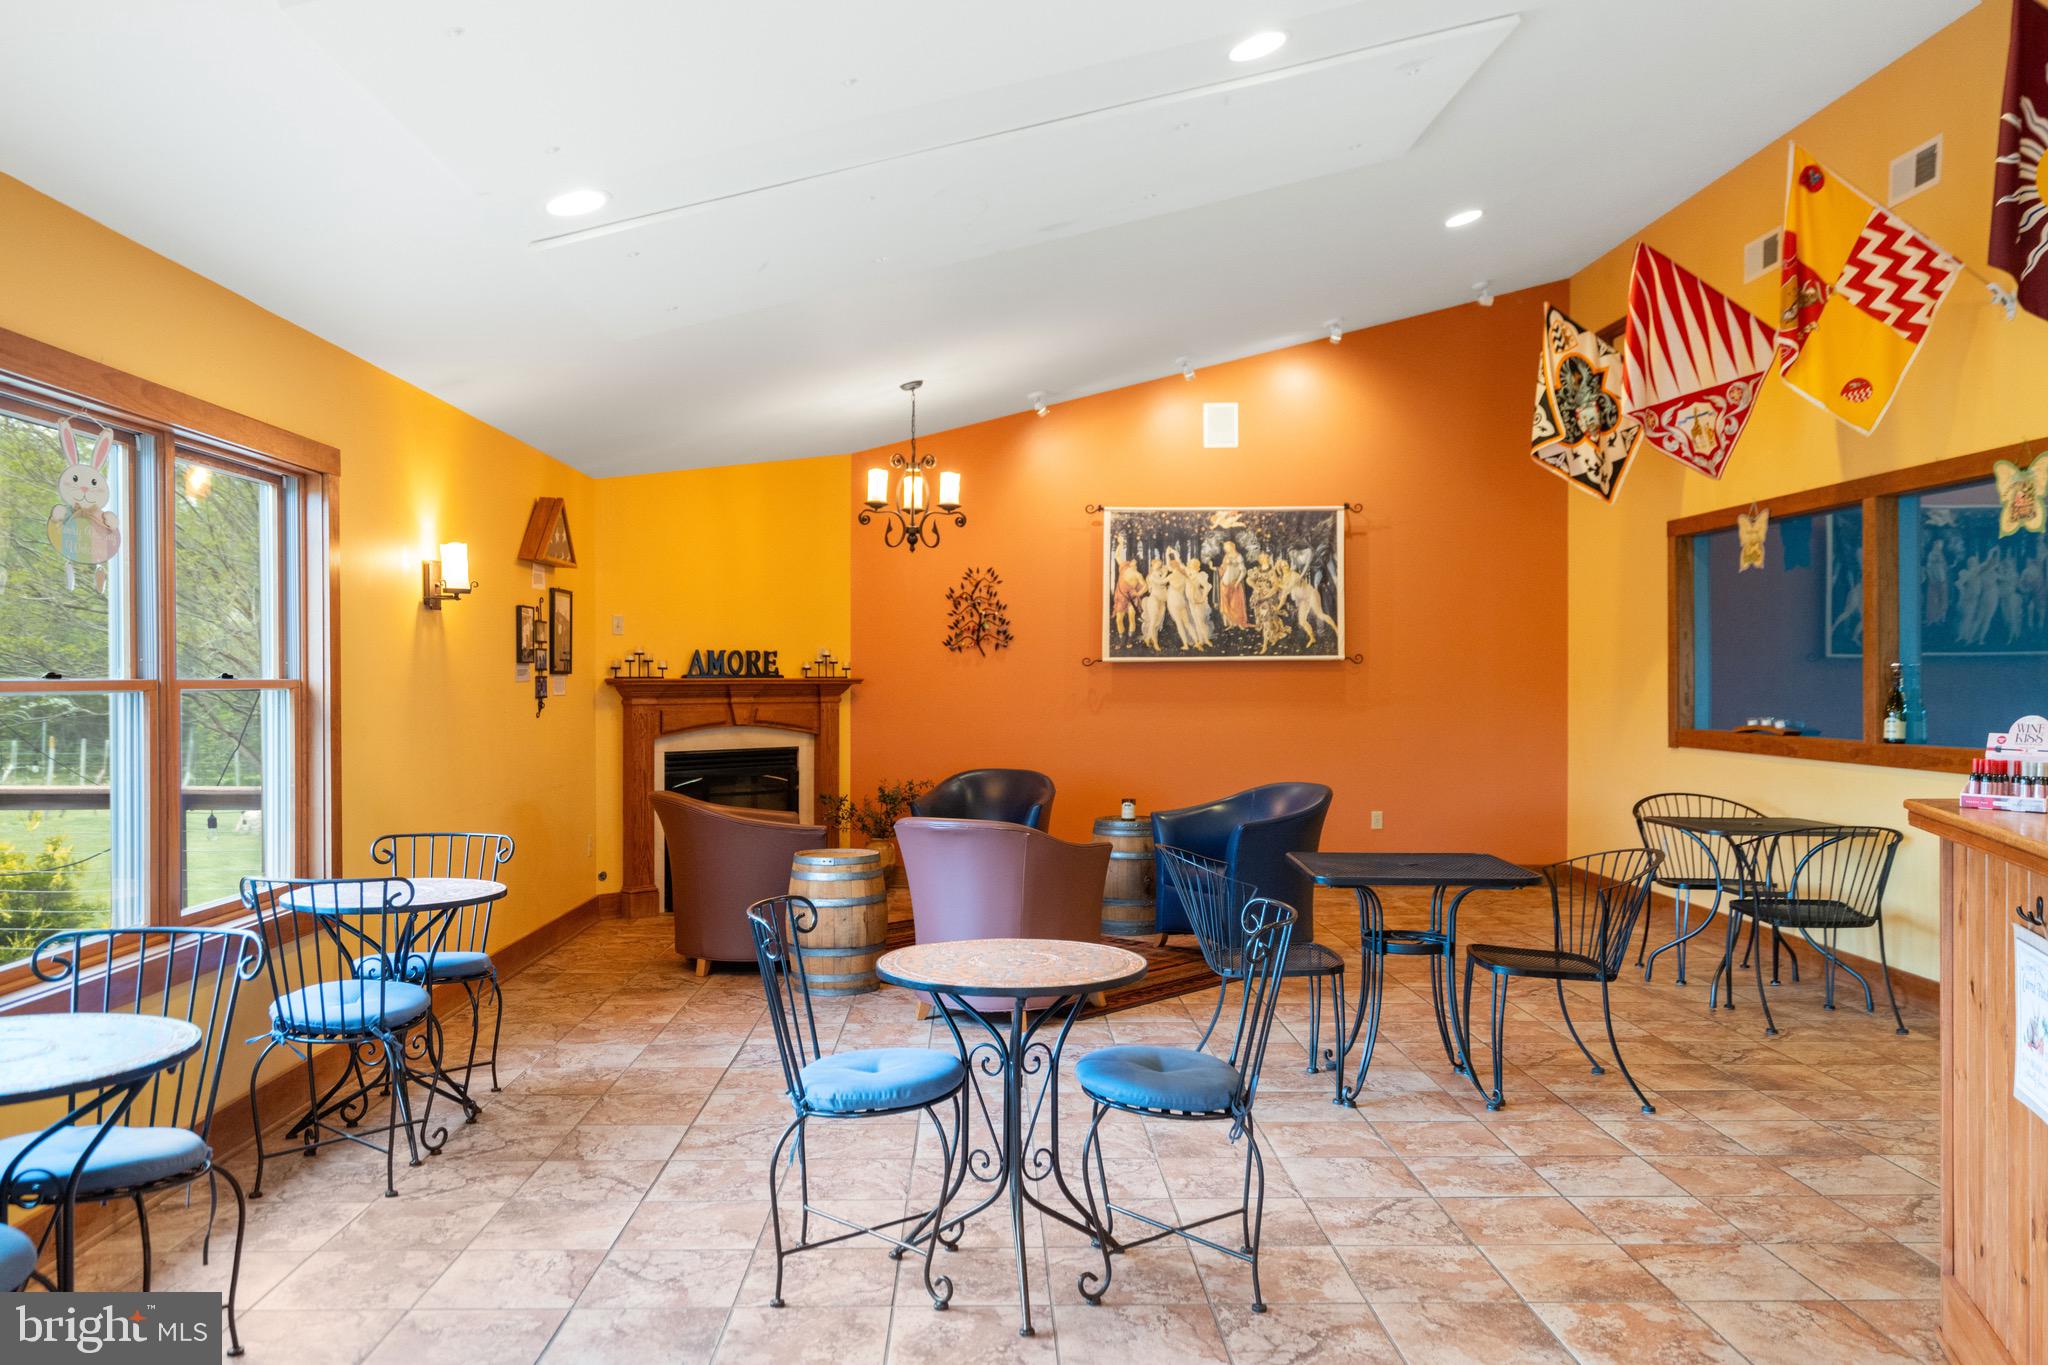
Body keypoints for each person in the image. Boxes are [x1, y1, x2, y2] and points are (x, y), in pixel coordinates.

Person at [1110, 535, 1144, 641]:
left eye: (1135, 560)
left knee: (1131, 618)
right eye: (1132, 560)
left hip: (1131, 598)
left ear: (1136, 563)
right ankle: (1121, 639)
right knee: (1119, 619)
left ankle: (1129, 638)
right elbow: (1117, 556)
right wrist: (1120, 544)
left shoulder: (1138, 574)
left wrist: (1138, 594)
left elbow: (1145, 586)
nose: (1133, 561)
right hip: (1121, 597)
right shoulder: (1124, 567)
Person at [1217, 540, 1249, 629]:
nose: (1225, 550)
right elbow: (1222, 569)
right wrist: (1217, 568)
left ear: (1232, 547)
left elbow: (1243, 571)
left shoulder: (1239, 557)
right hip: (1224, 583)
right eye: (1225, 548)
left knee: (1235, 604)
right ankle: (1230, 623)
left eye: (1226, 547)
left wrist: (1237, 582)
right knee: (1226, 604)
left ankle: (1238, 623)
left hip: (1234, 584)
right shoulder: (1226, 556)